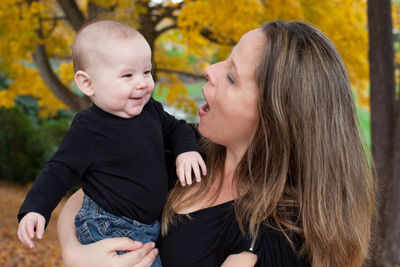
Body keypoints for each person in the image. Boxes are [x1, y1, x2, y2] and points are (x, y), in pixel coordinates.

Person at [57, 21, 376, 267]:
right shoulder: (185, 148)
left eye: (233, 77)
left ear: (273, 119)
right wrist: (75, 254)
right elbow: (85, 199)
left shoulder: (276, 240)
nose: (210, 70)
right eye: (225, 59)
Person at [17, 20, 206, 267]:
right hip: (109, 225)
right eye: (127, 75)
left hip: (149, 226)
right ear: (88, 83)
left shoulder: (152, 111)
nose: (142, 83)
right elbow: (59, 170)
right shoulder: (88, 128)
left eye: (147, 72)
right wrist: (35, 209)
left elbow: (179, 128)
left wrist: (187, 151)